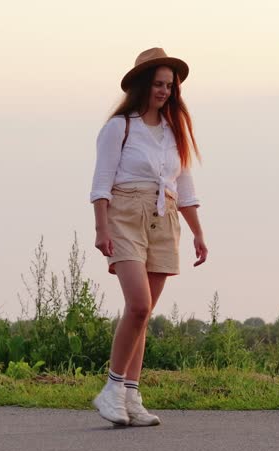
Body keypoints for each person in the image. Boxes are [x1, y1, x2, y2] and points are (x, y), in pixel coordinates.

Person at [89, 47, 208, 426]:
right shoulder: (119, 126)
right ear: (142, 85)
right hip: (125, 215)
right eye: (158, 84)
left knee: (143, 315)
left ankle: (131, 396)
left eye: (169, 86)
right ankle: (110, 390)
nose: (164, 92)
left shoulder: (175, 133)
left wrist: (198, 234)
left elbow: (184, 188)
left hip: (165, 218)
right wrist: (101, 228)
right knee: (138, 306)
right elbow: (101, 184)